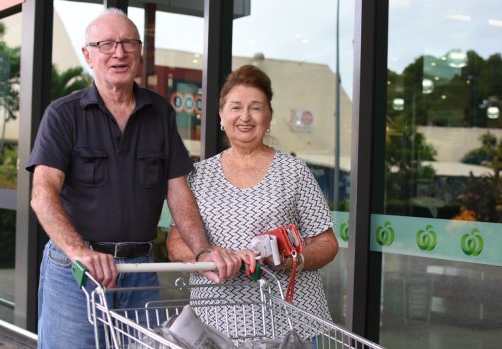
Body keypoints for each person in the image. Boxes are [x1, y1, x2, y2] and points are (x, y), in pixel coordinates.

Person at [26, 8, 244, 349]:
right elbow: (43, 194)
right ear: (88, 55)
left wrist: (202, 251)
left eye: (128, 42)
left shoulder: (160, 113)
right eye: (106, 44)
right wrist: (80, 252)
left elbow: (178, 191)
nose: (119, 52)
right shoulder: (63, 114)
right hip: (75, 272)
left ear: (139, 52)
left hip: (139, 275)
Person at [167, 64, 339, 342]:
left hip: (290, 329)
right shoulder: (199, 175)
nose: (245, 116)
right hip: (216, 326)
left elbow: (327, 243)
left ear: (269, 117)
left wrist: (291, 259)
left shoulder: (294, 171)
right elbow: (175, 243)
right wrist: (210, 257)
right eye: (235, 107)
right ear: (221, 116)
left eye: (256, 108)